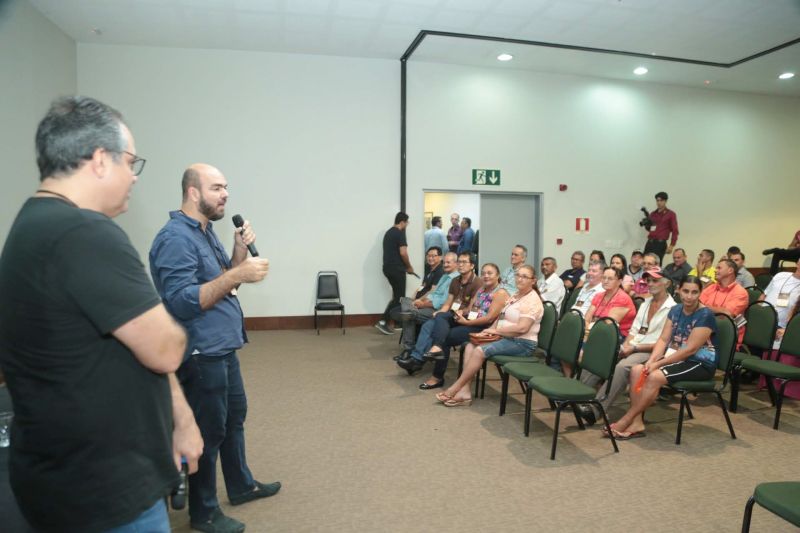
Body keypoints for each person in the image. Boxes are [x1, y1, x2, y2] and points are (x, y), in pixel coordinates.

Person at [0, 96, 202, 532]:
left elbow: (132, 345)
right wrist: (168, 321)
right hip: (105, 487)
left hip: (57, 472)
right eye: (131, 162)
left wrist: (181, 418)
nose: (134, 176)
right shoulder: (86, 233)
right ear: (98, 160)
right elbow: (165, 348)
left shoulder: (31, 225)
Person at [150, 164, 279, 533]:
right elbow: (180, 302)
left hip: (222, 345)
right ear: (193, 192)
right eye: (217, 188)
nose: (225, 194)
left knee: (233, 418)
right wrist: (238, 273)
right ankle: (203, 511)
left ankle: (240, 485)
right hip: (200, 351)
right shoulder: (175, 238)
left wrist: (238, 254)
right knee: (206, 430)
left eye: (226, 188)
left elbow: (222, 281)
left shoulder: (205, 232)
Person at [608, 276, 718, 440]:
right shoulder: (675, 310)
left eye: (694, 292)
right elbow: (664, 339)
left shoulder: (705, 315)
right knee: (638, 370)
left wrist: (659, 363)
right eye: (686, 291)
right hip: (676, 357)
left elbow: (690, 350)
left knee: (653, 376)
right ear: (679, 290)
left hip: (699, 363)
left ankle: (626, 419)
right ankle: (637, 423)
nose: (689, 296)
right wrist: (652, 360)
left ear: (700, 293)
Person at [435, 264, 544, 407]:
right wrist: (487, 331)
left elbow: (522, 328)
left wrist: (496, 331)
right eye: (518, 275)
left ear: (533, 280)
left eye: (525, 277)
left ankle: (455, 388)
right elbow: (501, 317)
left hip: (522, 343)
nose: (520, 279)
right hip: (507, 337)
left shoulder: (532, 300)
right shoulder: (516, 295)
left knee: (480, 351)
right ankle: (465, 393)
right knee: (470, 345)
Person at [578, 268, 676, 425]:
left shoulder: (673, 309)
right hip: (635, 345)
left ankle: (596, 409)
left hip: (653, 351)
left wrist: (633, 349)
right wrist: (624, 347)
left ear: (667, 283)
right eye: (648, 280)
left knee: (622, 367)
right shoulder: (646, 303)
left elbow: (663, 342)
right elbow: (634, 330)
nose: (650, 284)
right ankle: (577, 396)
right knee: (603, 354)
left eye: (655, 280)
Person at [408, 264, 510, 389]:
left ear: (497, 275)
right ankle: (436, 346)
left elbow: (489, 318)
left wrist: (466, 322)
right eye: (483, 273)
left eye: (490, 273)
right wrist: (462, 312)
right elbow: (471, 309)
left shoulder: (500, 293)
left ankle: (437, 377)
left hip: (482, 328)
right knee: (442, 315)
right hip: (469, 319)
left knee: (446, 337)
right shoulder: (481, 289)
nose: (485, 276)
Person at [397, 252, 482, 375]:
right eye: (460, 262)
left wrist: (455, 313)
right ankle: (416, 359)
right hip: (450, 314)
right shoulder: (455, 281)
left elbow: (471, 308)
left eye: (464, 262)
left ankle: (418, 360)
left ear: (472, 265)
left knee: (436, 324)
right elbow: (448, 303)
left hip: (465, 317)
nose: (461, 265)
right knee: (429, 324)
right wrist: (439, 312)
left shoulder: (477, 283)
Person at [568, 266, 636, 375]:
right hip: (594, 332)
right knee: (570, 347)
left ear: (619, 282)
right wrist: (585, 335)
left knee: (581, 353)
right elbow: (587, 318)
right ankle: (573, 378)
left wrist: (586, 338)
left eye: (610, 278)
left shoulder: (622, 298)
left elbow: (608, 326)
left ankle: (583, 380)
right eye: (604, 278)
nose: (605, 281)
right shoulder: (599, 295)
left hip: (616, 336)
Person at [392, 249, 452, 360]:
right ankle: (407, 309)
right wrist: (414, 298)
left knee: (408, 315)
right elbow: (424, 287)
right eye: (428, 255)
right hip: (426, 303)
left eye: (434, 256)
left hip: (434, 308)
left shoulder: (442, 273)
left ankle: (409, 348)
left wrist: (421, 302)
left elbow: (435, 295)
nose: (430, 258)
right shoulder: (434, 272)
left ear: (440, 258)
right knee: (405, 301)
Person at [375, 212, 415, 335]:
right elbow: (403, 253)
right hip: (397, 269)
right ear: (402, 222)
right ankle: (385, 322)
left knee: (396, 296)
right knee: (399, 298)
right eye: (407, 222)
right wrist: (409, 267)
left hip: (387, 268)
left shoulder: (388, 233)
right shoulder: (399, 233)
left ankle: (391, 322)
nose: (407, 225)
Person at [699, 259, 748, 346]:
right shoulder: (711, 287)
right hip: (703, 332)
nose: (715, 270)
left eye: (719, 268)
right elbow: (697, 305)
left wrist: (704, 307)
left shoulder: (740, 292)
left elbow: (726, 314)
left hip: (725, 338)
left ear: (730, 270)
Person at [761, 262, 800, 337]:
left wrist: (787, 330)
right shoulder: (780, 275)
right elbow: (764, 295)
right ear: (797, 263)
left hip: (779, 326)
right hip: (761, 318)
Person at [643, 191, 679, 261]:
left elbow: (675, 231)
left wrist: (671, 245)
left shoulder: (671, 214)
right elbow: (650, 229)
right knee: (645, 262)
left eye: (661, 200)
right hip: (650, 242)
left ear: (665, 201)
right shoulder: (653, 214)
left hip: (660, 244)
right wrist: (646, 224)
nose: (659, 202)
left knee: (656, 265)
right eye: (657, 200)